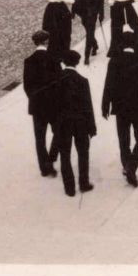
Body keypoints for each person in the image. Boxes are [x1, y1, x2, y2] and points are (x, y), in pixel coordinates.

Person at [101, 42, 138, 186]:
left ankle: (127, 166)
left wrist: (105, 105)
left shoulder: (113, 63)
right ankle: (131, 167)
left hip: (120, 108)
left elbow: (108, 84)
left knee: (124, 139)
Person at [50, 49, 96, 196]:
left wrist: (54, 124)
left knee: (65, 155)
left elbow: (53, 105)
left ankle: (69, 188)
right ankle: (84, 183)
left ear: (64, 62)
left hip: (63, 123)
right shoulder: (82, 81)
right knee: (83, 153)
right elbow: (88, 106)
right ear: (77, 63)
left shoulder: (56, 80)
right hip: (81, 123)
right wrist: (92, 127)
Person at [22, 29, 62, 178]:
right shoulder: (53, 59)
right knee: (59, 132)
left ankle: (44, 167)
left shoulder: (29, 61)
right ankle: (51, 158)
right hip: (53, 105)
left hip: (37, 106)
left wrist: (34, 99)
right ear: (47, 41)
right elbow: (60, 82)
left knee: (40, 138)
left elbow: (27, 86)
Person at [72, 0, 105, 65]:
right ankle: (94, 45)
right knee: (88, 31)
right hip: (82, 11)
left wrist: (101, 13)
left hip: (93, 11)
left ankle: (86, 56)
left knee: (90, 32)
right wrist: (73, 10)